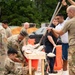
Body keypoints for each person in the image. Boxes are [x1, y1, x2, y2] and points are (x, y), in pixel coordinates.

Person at [48, 5, 75, 75]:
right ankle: (65, 73)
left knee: (71, 62)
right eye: (56, 19)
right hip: (65, 44)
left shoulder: (67, 21)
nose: (57, 20)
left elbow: (60, 32)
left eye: (58, 19)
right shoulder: (58, 26)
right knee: (65, 59)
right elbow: (57, 35)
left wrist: (52, 28)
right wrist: (52, 31)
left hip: (71, 44)